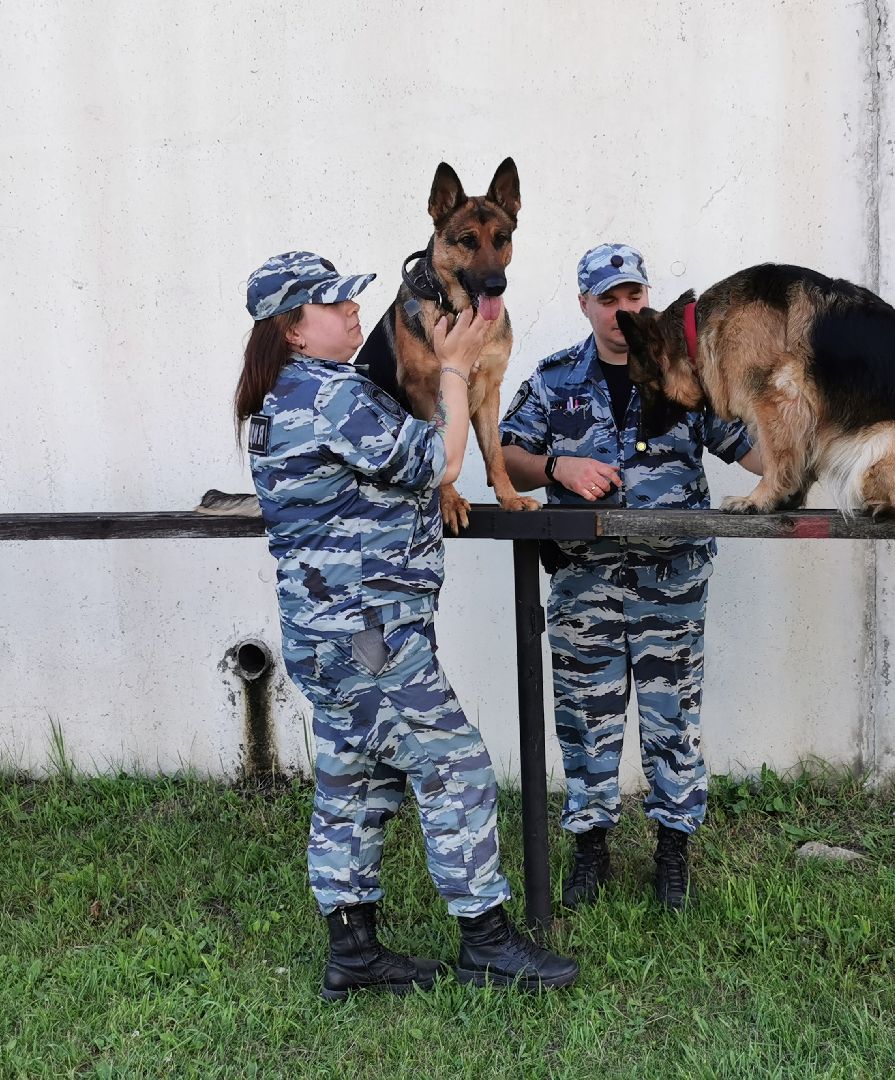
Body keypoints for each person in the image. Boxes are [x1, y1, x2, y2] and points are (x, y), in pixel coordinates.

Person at [235, 251, 577, 995]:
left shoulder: (279, 398)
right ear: (292, 330)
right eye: (333, 305)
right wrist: (454, 368)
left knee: (354, 779)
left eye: (351, 300)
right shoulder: (331, 397)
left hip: (325, 633)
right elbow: (439, 463)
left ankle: (354, 954)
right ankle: (486, 944)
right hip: (370, 636)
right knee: (456, 764)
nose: (353, 312)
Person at [499, 243, 762, 911]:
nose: (622, 312)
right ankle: (592, 848)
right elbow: (507, 454)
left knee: (673, 718)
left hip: (671, 581)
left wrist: (810, 432)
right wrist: (557, 467)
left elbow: (752, 449)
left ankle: (673, 850)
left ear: (649, 298)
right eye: (608, 299)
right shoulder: (555, 379)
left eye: (633, 296)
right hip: (585, 582)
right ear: (584, 304)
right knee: (585, 717)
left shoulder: (685, 373)